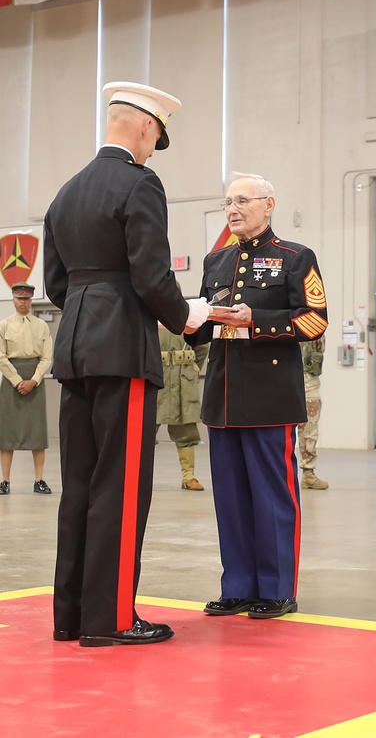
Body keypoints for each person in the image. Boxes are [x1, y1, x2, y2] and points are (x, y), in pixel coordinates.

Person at [44, 81, 210, 647]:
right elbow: (150, 275)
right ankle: (111, 618)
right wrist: (189, 317)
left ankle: (71, 616)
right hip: (123, 348)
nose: (153, 145)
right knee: (120, 484)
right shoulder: (140, 183)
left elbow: (56, 284)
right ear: (145, 126)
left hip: (75, 349)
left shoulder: (65, 193)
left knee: (81, 485)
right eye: (156, 135)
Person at [187, 172, 328, 620]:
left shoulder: (295, 258)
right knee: (230, 498)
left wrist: (259, 321)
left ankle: (276, 588)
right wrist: (191, 323)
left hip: (270, 393)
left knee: (272, 496)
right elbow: (206, 327)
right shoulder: (216, 262)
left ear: (268, 204)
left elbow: (315, 321)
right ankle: (239, 586)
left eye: (243, 200)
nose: (233, 208)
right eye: (228, 200)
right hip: (224, 393)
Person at [0, 282, 53, 495]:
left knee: (37, 433)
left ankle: (39, 480)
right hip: (11, 380)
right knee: (7, 434)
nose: (23, 302)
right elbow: (1, 357)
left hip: (35, 381)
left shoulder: (41, 326)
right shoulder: (4, 325)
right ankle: (5, 480)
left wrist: (34, 380)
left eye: (27, 298)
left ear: (31, 300)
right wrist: (16, 380)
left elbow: (47, 357)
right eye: (19, 298)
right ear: (13, 300)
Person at [156, 326, 209, 491]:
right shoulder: (147, 313)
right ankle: (137, 477)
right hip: (156, 378)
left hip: (182, 380)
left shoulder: (185, 317)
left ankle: (188, 476)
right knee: (143, 431)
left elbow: (201, 346)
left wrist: (191, 367)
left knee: (186, 430)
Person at [298, 336, 329, 490]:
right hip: (283, 378)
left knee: (310, 427)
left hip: (308, 379)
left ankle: (308, 473)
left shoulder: (313, 321)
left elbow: (320, 348)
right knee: (279, 428)